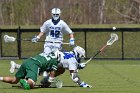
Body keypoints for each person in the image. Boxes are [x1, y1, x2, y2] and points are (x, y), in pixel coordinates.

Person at [10, 46, 92, 88]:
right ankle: (27, 79)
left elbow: (66, 63)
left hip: (48, 58)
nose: (80, 59)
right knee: (36, 70)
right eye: (80, 57)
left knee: (61, 70)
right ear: (78, 54)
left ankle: (44, 81)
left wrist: (79, 66)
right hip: (50, 63)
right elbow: (74, 77)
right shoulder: (73, 60)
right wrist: (82, 84)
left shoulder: (69, 54)